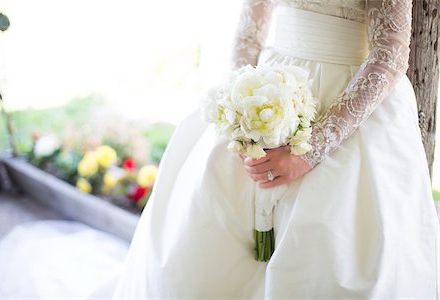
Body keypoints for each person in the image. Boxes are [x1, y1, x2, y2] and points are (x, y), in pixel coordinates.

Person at [112, 0, 440, 298]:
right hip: (270, 88)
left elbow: (390, 52)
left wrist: (310, 151)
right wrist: (241, 115)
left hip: (351, 102)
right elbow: (248, 35)